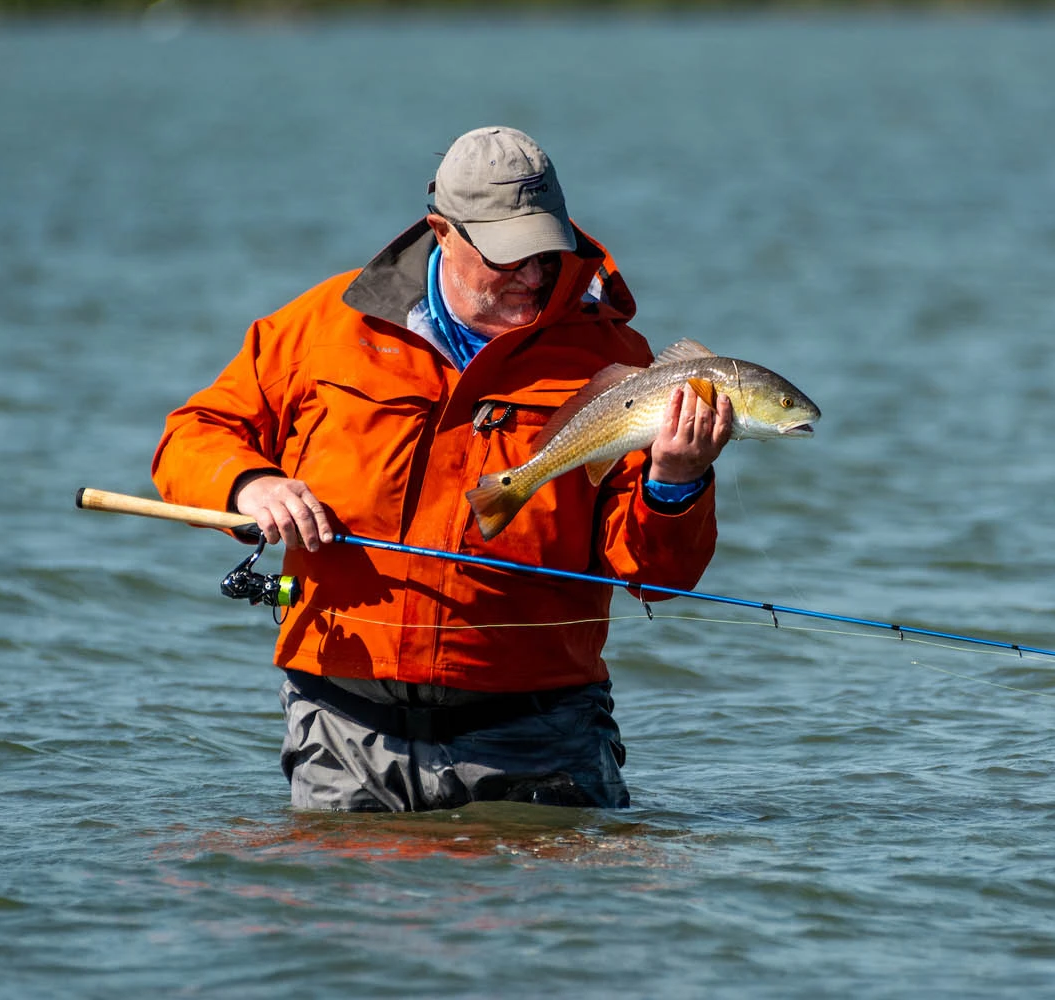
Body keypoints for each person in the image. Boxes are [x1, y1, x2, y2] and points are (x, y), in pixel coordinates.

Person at [152, 126, 733, 811]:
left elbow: (656, 579)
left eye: (547, 254)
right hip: (341, 731)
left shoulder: (615, 361)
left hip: (538, 740)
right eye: (509, 256)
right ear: (442, 232)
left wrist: (677, 484)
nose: (533, 276)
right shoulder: (324, 326)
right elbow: (194, 433)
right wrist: (251, 484)